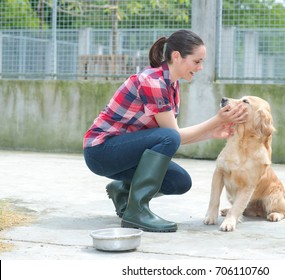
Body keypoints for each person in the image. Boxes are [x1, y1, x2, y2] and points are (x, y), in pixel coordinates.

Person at [83, 29, 247, 233]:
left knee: (180, 182)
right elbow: (171, 136)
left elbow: (167, 140)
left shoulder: (172, 85)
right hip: (101, 151)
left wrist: (210, 133)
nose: (201, 67)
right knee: (169, 137)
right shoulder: (153, 81)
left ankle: (124, 191)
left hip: (123, 153)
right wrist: (217, 120)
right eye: (197, 61)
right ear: (177, 56)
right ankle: (137, 212)